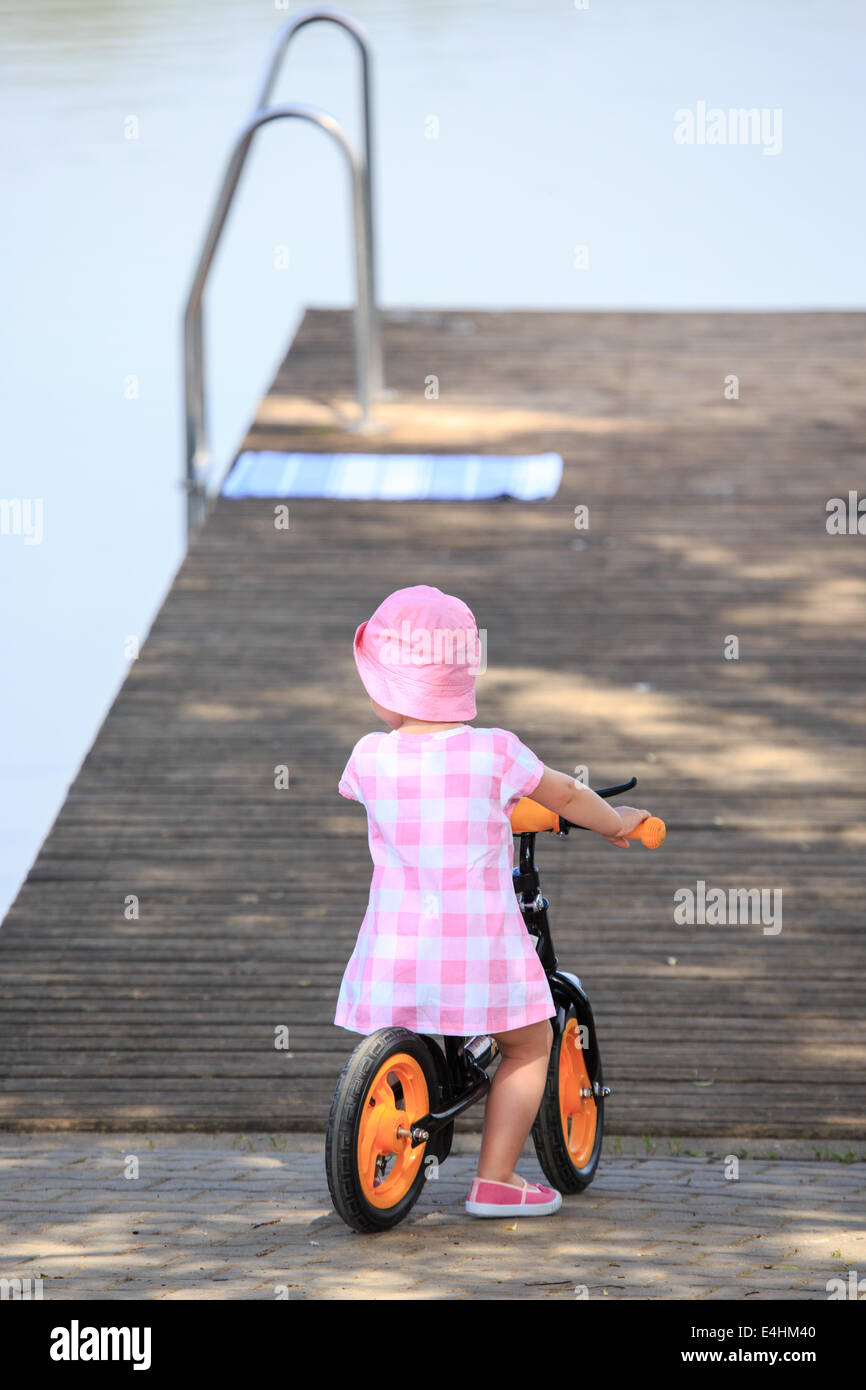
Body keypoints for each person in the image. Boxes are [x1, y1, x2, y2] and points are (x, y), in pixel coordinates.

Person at [335, 584, 649, 1218]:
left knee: (423, 1015)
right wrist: (615, 823)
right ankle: (496, 1180)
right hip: (478, 952)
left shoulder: (367, 758)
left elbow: (413, 790)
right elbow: (562, 793)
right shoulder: (496, 751)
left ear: (386, 687)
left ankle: (411, 1102)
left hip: (394, 951)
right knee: (530, 1043)